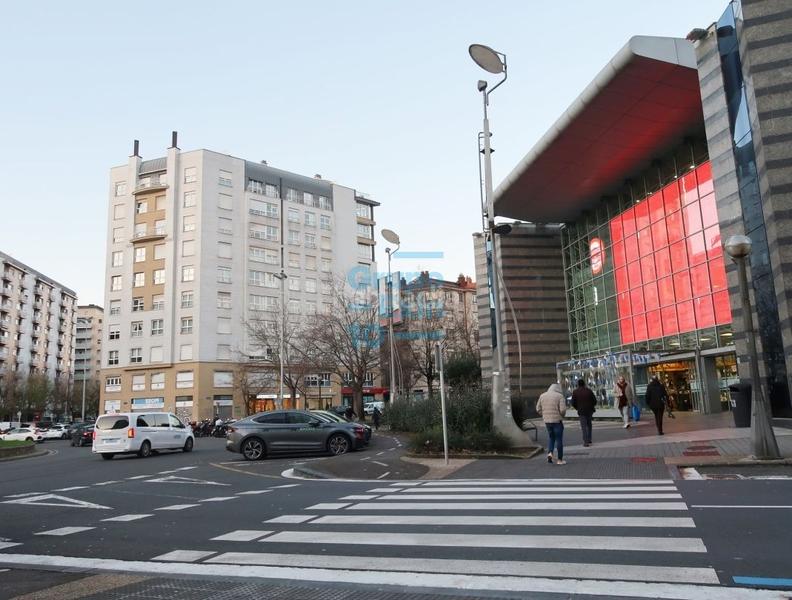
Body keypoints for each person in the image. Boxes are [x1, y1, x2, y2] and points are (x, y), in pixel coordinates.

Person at [537, 382, 567, 465]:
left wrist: (544, 415)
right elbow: (563, 410)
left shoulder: (542, 395)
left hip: (547, 422)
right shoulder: (559, 396)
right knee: (559, 439)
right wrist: (562, 415)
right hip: (557, 421)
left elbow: (538, 408)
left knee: (551, 438)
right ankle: (560, 460)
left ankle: (550, 453)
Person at [571, 379, 596, 447]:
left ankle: (585, 442)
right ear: (584, 384)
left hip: (581, 411)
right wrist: (591, 406)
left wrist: (577, 408)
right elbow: (595, 401)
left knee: (583, 427)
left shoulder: (575, 392)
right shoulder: (589, 391)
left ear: (578, 384)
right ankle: (589, 439)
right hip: (589, 411)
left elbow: (573, 403)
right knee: (589, 425)